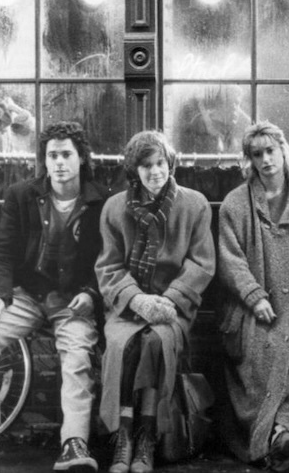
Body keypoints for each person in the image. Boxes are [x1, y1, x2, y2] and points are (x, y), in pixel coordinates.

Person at [0, 121, 107, 470]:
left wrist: (92, 294)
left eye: (67, 154)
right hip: (27, 296)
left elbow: (109, 260)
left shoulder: (102, 202)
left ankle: (74, 444)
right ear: (44, 160)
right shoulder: (22, 195)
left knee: (77, 357)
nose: (59, 162)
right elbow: (2, 252)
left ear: (81, 158)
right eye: (52, 155)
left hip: (72, 303)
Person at [97, 130, 215, 473]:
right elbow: (109, 266)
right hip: (127, 307)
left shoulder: (194, 204)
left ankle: (146, 436)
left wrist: (169, 301)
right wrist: (137, 301)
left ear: (171, 163)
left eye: (160, 163)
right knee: (123, 345)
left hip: (173, 307)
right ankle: (124, 435)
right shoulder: (114, 208)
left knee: (153, 341)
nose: (155, 172)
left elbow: (201, 264)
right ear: (134, 171)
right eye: (146, 166)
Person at [215, 122, 289, 471]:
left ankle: (283, 430)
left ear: (283, 150)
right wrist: (254, 296)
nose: (265, 160)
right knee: (261, 353)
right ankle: (278, 433)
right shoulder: (235, 203)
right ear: (249, 160)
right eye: (256, 154)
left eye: (270, 151)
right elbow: (229, 259)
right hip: (250, 307)